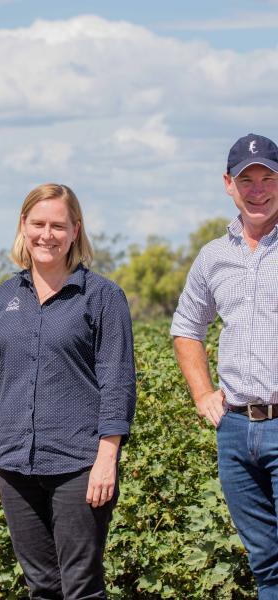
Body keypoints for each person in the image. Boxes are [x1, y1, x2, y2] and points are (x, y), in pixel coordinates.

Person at [0, 183, 136, 599]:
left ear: (75, 230)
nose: (48, 234)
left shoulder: (102, 298)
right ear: (23, 226)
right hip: (13, 465)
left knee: (80, 585)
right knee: (41, 585)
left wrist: (106, 460)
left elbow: (118, 384)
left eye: (58, 226)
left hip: (77, 464)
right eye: (38, 223)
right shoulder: (5, 296)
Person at [172, 133, 278, 598]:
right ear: (228, 184)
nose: (258, 189)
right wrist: (202, 393)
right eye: (246, 180)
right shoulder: (214, 256)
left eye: (268, 178)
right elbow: (186, 326)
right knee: (266, 561)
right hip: (235, 430)